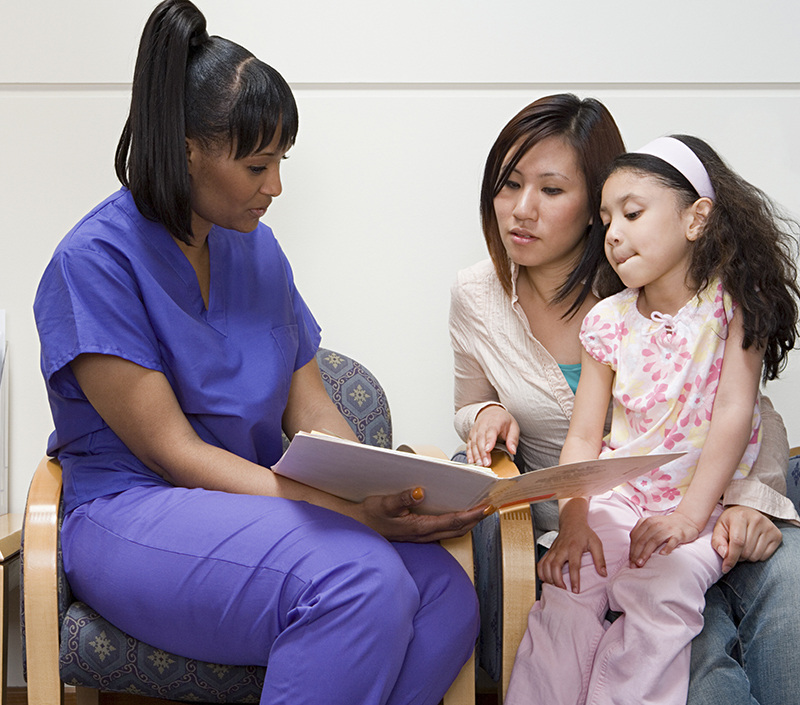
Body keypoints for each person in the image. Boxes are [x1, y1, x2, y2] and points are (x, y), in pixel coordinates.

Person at [33, 2, 483, 703]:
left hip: (254, 508)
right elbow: (173, 453)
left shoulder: (258, 250)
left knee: (446, 595)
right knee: (358, 578)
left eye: (280, 162)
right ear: (186, 150)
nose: (275, 186)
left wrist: (379, 484)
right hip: (132, 516)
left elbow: (313, 409)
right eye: (256, 165)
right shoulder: (93, 261)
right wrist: (346, 515)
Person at [450, 95, 800, 705]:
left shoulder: (717, 302)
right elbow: (573, 434)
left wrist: (719, 509)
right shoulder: (602, 318)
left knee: (683, 611)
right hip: (609, 500)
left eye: (553, 191)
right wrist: (489, 420)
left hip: (706, 502)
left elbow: (742, 415)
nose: (523, 210)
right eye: (509, 184)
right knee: (572, 596)